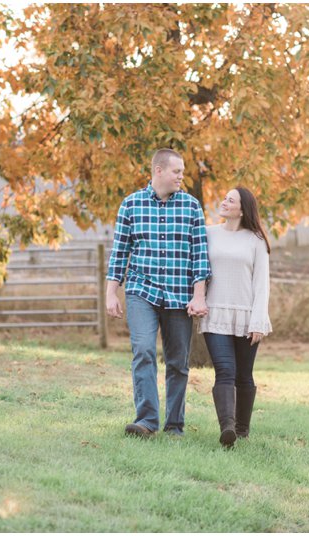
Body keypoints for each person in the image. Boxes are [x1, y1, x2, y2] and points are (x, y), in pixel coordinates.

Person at [106, 148, 211, 438]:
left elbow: (199, 256)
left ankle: (174, 426)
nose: (181, 176)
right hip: (141, 291)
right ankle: (146, 421)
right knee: (143, 350)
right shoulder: (130, 205)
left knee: (178, 361)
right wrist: (111, 293)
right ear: (159, 171)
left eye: (182, 172)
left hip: (179, 295)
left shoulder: (191, 207)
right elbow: (119, 252)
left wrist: (199, 294)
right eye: (177, 171)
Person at [199, 186, 271, 447]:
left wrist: (258, 321)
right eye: (225, 197)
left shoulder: (256, 240)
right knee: (225, 371)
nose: (224, 201)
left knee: (244, 375)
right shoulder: (207, 234)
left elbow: (261, 284)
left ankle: (242, 429)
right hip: (215, 313)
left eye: (231, 200)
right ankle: (227, 428)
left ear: (243, 209)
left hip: (246, 316)